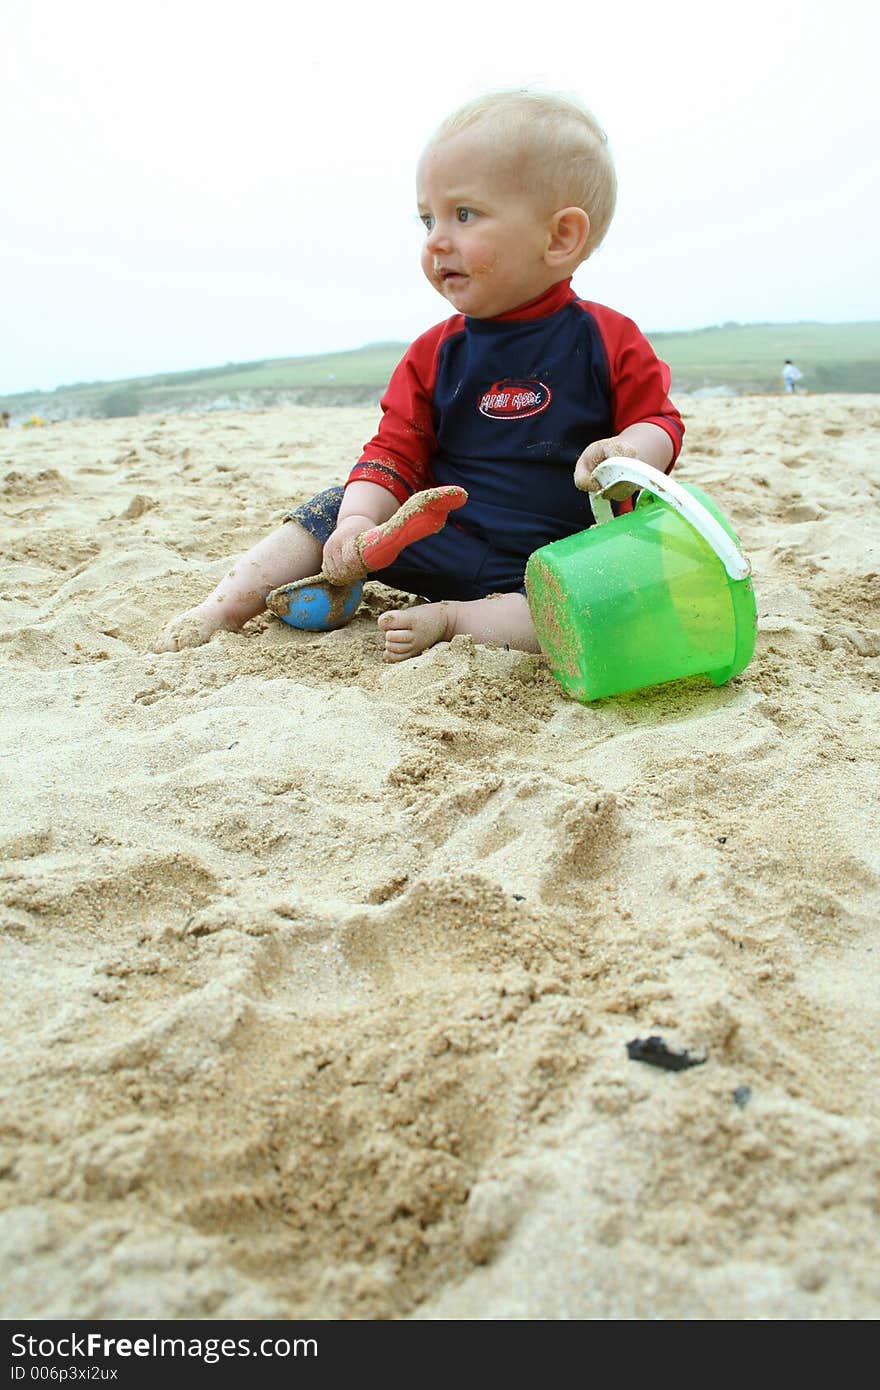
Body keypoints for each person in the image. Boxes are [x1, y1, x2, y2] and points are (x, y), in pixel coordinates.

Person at [155, 90, 684, 661]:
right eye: (427, 218)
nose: (435, 240)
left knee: (609, 595)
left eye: (464, 214)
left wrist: (628, 448)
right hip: (440, 539)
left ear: (558, 238)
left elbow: (660, 421)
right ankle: (227, 604)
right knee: (330, 509)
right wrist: (359, 520)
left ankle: (455, 620)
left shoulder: (607, 338)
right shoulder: (435, 353)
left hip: (558, 552)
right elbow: (394, 452)